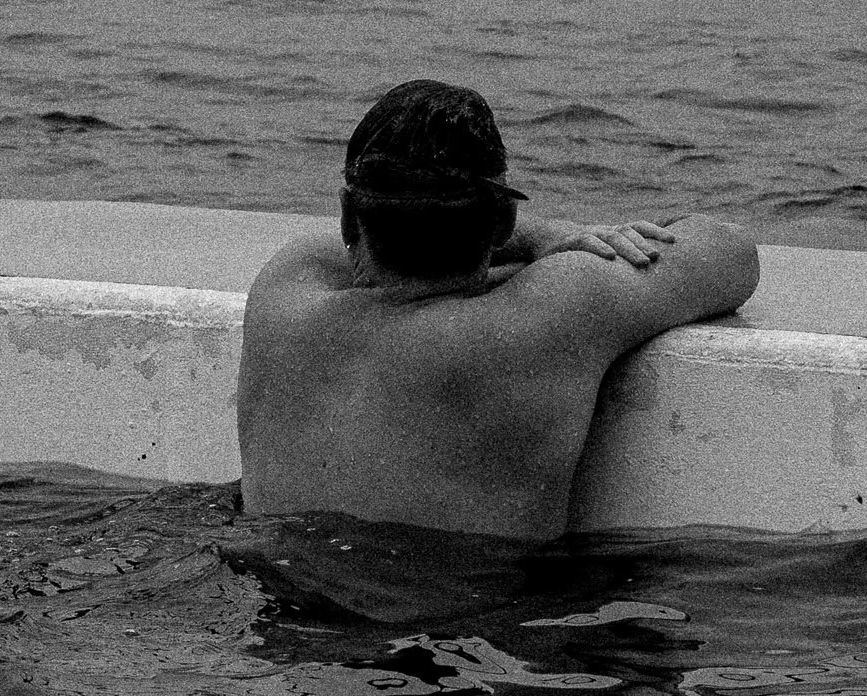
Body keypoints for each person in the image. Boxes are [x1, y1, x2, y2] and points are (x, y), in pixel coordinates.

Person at [238, 78, 760, 539]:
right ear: (504, 221)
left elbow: (347, 244)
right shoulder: (549, 312)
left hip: (276, 617)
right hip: (464, 634)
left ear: (351, 217)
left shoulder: (284, 295)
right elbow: (730, 253)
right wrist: (556, 237)